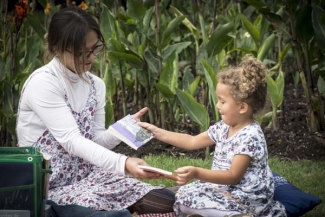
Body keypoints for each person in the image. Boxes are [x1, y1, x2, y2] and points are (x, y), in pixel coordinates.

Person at [16, 6, 175, 216]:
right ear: (56, 47)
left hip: (91, 176)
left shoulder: (95, 85)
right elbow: (72, 140)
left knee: (168, 201)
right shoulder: (44, 83)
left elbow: (94, 140)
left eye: (94, 48)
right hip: (50, 187)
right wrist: (124, 163)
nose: (91, 57)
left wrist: (124, 130)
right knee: (108, 213)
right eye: (82, 52)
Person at [139, 55, 287, 217]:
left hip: (246, 197)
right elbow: (191, 141)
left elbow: (233, 176)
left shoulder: (250, 136)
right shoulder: (224, 127)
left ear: (242, 107)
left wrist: (196, 172)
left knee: (186, 203)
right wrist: (156, 132)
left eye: (222, 102)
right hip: (223, 189)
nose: (217, 106)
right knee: (183, 199)